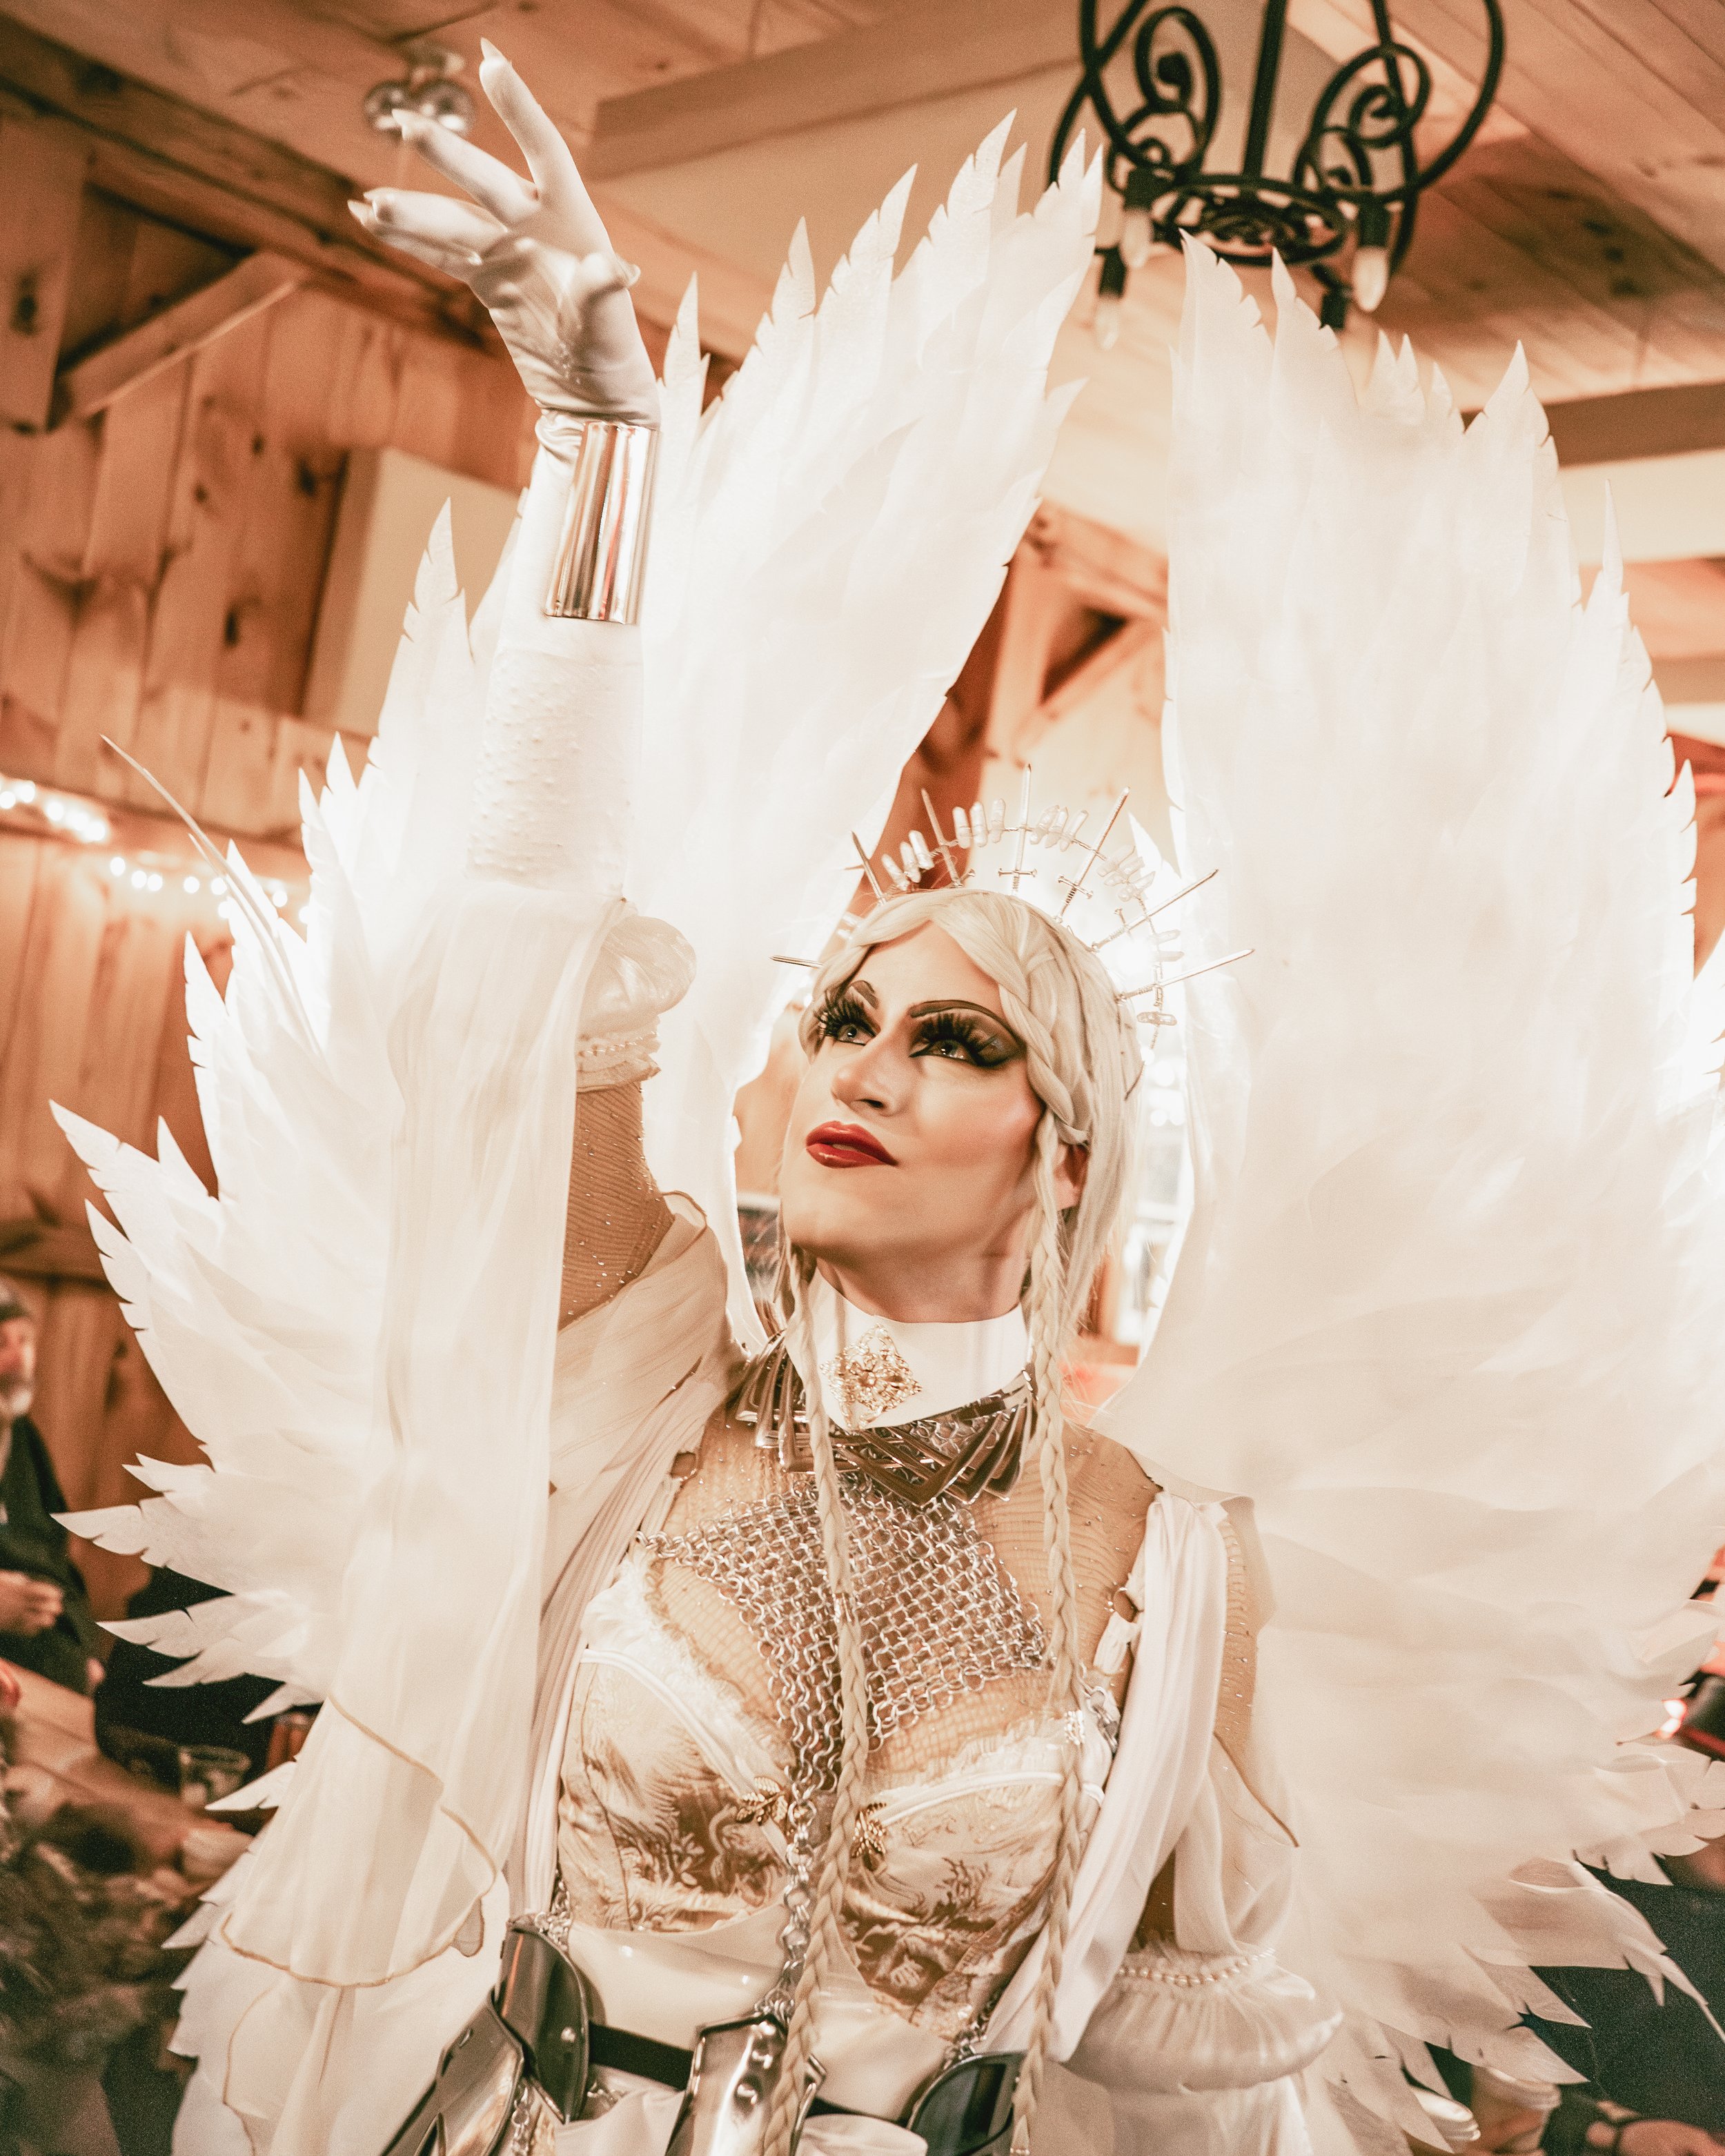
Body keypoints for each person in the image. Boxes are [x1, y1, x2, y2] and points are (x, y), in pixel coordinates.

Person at [59, 46, 1725, 2156]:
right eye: (842, 1016)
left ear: (1067, 1154)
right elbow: (523, 954)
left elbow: (1206, 2039)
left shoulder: (1166, 1554)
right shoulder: (641, 1375)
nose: (860, 1065)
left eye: (953, 1039)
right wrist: (594, 452)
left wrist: (1530, 2127)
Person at [0, 1278, 102, 1695]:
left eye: (25, 1340)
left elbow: (55, 1557)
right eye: (1, 1343)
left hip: (38, 1662)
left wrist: (83, 1653)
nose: (18, 1358)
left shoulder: (24, 1442)